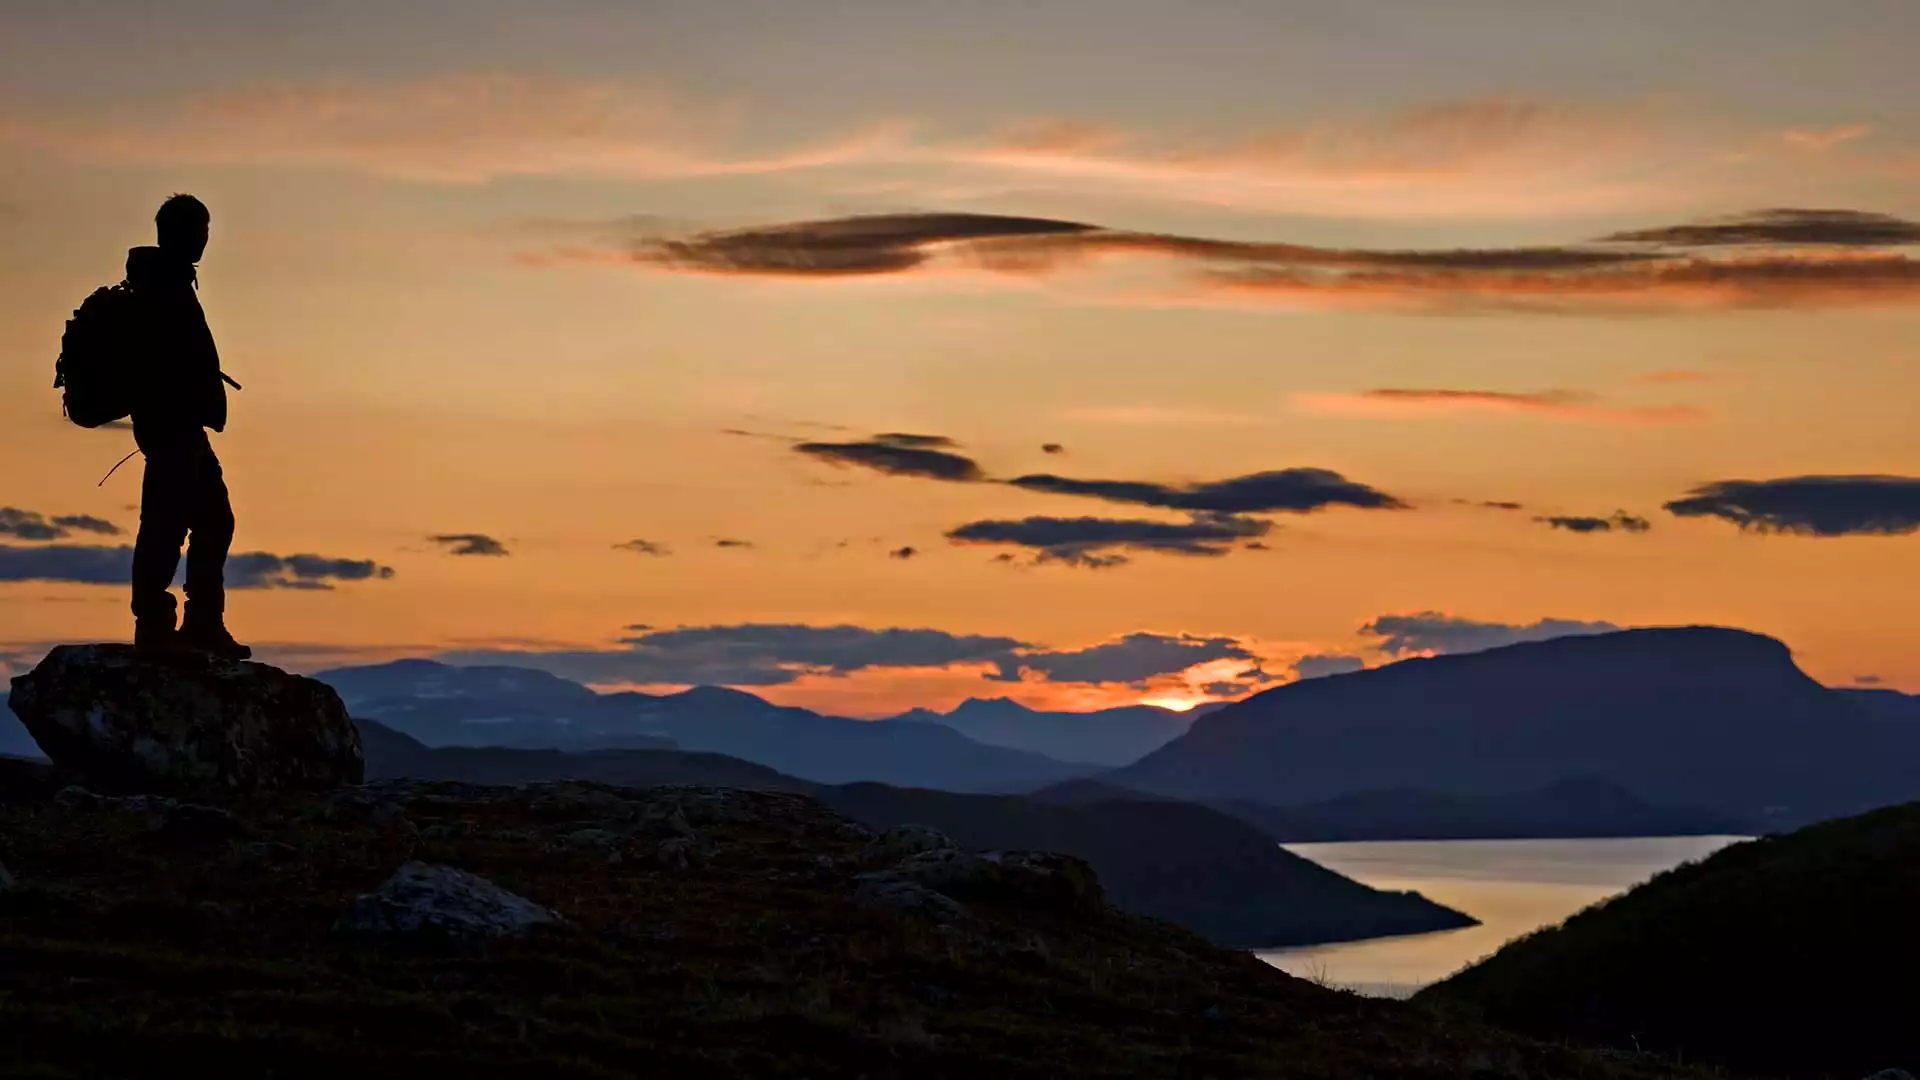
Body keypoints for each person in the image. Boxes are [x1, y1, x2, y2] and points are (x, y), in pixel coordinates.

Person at [126, 193, 250, 661]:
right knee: (166, 523)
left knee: (213, 520)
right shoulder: (160, 287)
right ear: (179, 234)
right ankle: (157, 628)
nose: (205, 238)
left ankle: (201, 624)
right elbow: (165, 361)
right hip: (170, 425)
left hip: (182, 426)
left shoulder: (169, 281)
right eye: (200, 229)